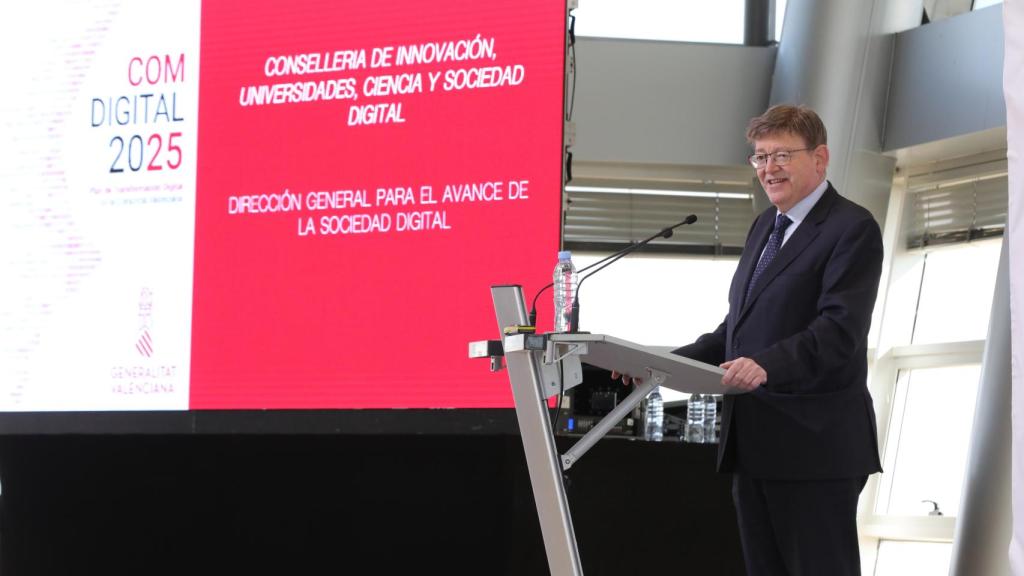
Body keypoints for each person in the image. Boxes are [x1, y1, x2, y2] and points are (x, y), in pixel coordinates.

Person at [620, 104, 883, 575]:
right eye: (760, 157)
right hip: (755, 444)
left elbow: (839, 331)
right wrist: (658, 366)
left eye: (782, 155)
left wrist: (766, 365)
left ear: (820, 158)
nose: (768, 168)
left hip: (814, 448)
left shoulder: (851, 228)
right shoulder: (765, 226)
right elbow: (734, 333)